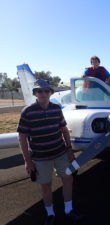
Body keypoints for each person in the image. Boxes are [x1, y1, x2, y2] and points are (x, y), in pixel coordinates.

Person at [17, 80, 83, 225]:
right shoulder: (27, 112)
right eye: (39, 91)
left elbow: (64, 130)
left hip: (60, 153)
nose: (43, 93)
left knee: (68, 180)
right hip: (40, 157)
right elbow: (22, 138)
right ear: (35, 93)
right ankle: (50, 213)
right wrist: (28, 161)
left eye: (46, 91)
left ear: (50, 93)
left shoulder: (56, 109)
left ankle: (68, 210)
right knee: (46, 185)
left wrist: (70, 150)